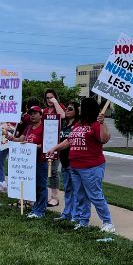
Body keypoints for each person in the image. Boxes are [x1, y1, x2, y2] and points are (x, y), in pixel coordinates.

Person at [48, 98, 115, 233]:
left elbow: (104, 139)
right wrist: (55, 148)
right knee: (80, 195)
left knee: (95, 195)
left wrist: (102, 123)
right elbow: (69, 140)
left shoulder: (96, 124)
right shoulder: (79, 125)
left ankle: (108, 222)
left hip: (92, 167)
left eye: (81, 107)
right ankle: (83, 220)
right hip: (75, 167)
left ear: (87, 109)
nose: (78, 109)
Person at [13, 105, 48, 219]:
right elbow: (20, 140)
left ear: (41, 115)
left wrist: (32, 147)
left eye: (35, 113)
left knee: (41, 186)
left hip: (40, 160)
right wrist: (9, 137)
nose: (32, 115)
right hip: (29, 162)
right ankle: (36, 208)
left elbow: (47, 145)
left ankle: (40, 210)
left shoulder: (44, 127)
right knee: (34, 186)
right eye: (31, 113)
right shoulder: (28, 127)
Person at [55, 101, 81, 221]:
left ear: (77, 111)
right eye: (67, 109)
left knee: (76, 190)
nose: (67, 111)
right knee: (67, 189)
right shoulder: (64, 125)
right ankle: (67, 213)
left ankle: (75, 215)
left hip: (74, 162)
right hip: (64, 162)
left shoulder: (78, 125)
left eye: (70, 109)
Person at [44, 89, 66, 207]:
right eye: (47, 98)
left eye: (51, 97)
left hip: (57, 143)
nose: (49, 100)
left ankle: (54, 197)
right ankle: (45, 195)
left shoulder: (60, 107)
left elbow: (62, 116)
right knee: (44, 170)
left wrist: (56, 103)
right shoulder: (45, 111)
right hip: (46, 143)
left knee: (53, 171)